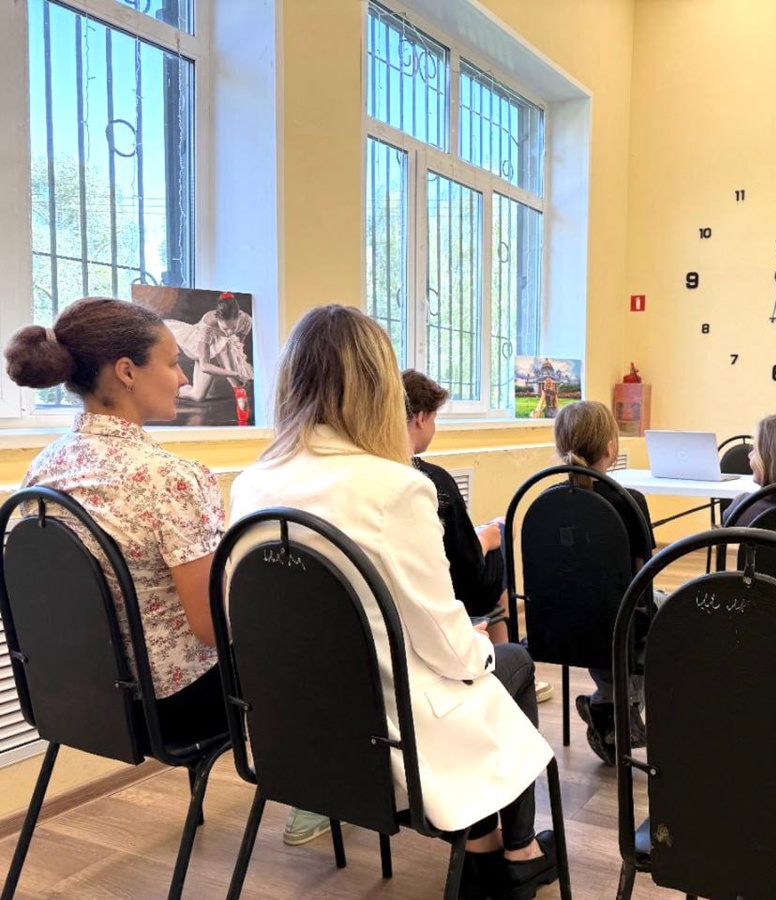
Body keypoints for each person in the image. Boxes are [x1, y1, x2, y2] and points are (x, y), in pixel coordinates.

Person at [230, 306, 559, 899]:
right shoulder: (397, 487)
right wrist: (481, 650)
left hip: (295, 728)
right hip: (391, 731)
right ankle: (515, 852)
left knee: (480, 668)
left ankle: (490, 851)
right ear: (379, 385)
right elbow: (442, 637)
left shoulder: (250, 485)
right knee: (511, 663)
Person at [4, 297, 227, 744]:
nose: (184, 379)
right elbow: (210, 630)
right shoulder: (173, 479)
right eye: (173, 363)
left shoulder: (42, 470)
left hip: (74, 696)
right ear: (127, 371)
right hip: (170, 707)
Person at [401, 368, 553, 704]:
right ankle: (507, 651)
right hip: (453, 593)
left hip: (409, 602)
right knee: (499, 536)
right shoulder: (433, 481)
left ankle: (500, 650)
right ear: (421, 418)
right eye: (435, 419)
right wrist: (486, 539)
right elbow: (464, 560)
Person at [553, 400, 654, 766]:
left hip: (559, 622)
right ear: (611, 448)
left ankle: (609, 705)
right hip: (617, 620)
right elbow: (644, 574)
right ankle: (614, 705)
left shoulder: (547, 500)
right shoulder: (629, 501)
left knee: (603, 610)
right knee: (657, 613)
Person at [167, 292, 253, 412]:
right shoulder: (208, 323)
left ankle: (239, 392)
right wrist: (235, 374)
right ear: (217, 319)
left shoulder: (246, 321)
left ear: (239, 316)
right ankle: (239, 392)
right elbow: (204, 366)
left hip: (223, 352)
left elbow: (237, 348)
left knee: (197, 396)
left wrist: (241, 369)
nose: (229, 332)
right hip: (201, 350)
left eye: (233, 327)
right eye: (225, 328)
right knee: (197, 395)